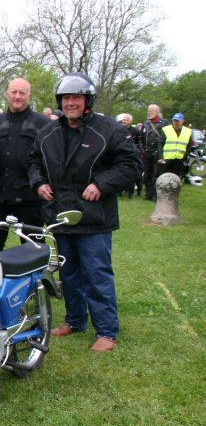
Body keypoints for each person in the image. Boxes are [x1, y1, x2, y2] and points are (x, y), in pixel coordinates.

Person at [28, 72, 142, 352]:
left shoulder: (109, 130)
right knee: (68, 274)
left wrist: (102, 184)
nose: (70, 103)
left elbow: (131, 165)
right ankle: (75, 320)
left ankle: (106, 330)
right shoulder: (48, 132)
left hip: (94, 217)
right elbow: (33, 162)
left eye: (76, 98)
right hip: (61, 215)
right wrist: (39, 182)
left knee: (96, 273)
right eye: (66, 98)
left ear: (87, 100)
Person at [0, 78, 50, 253]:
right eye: (14, 92)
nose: (17, 96)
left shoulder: (44, 125)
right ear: (7, 94)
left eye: (22, 93)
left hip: (29, 197)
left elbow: (50, 160)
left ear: (29, 95)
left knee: (34, 250)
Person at [141, 104, 168, 200]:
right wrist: (142, 149)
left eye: (151, 111)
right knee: (147, 174)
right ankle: (148, 195)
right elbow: (141, 137)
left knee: (156, 175)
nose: (149, 112)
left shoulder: (165, 123)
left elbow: (166, 138)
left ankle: (155, 195)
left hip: (158, 152)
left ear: (157, 112)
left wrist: (161, 153)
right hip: (147, 152)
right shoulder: (146, 123)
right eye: (148, 110)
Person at [158, 113, 194, 179]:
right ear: (172, 121)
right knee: (164, 178)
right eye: (174, 120)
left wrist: (185, 155)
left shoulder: (187, 131)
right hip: (167, 159)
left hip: (179, 159)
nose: (176, 122)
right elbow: (160, 143)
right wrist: (161, 157)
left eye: (178, 121)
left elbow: (190, 146)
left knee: (176, 179)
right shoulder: (166, 129)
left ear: (182, 121)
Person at [117, 113, 143, 197]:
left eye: (125, 120)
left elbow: (140, 142)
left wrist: (140, 152)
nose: (123, 121)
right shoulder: (119, 129)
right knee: (120, 172)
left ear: (130, 121)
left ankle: (132, 192)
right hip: (121, 153)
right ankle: (119, 192)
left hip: (133, 155)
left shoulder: (135, 131)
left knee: (133, 172)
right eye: (123, 120)